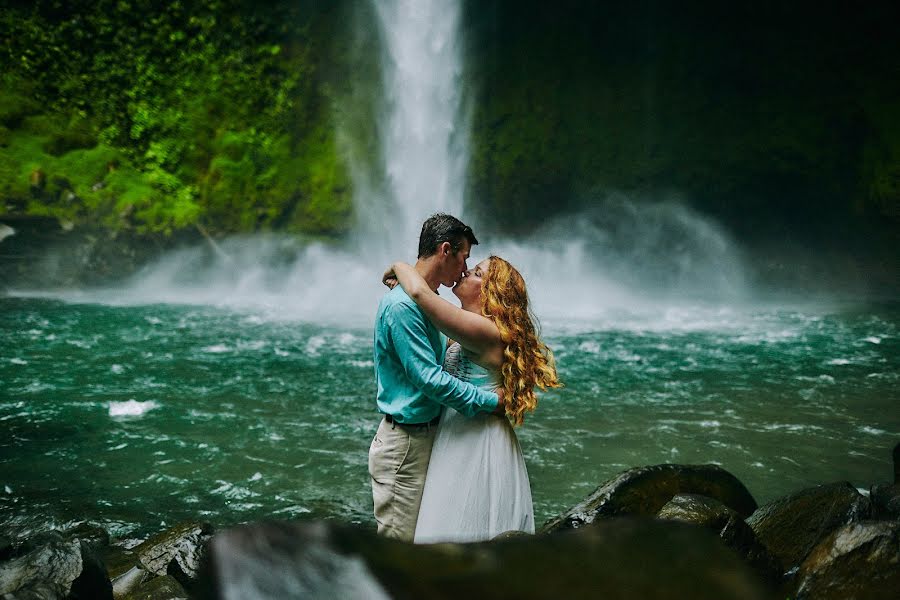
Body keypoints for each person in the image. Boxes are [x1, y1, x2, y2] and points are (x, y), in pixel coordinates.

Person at [383, 254, 561, 543]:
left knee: (457, 524)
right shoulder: (471, 329)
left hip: (475, 443)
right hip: (462, 434)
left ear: (491, 295)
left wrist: (400, 267)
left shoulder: (484, 331)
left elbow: (420, 294)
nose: (465, 272)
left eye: (477, 273)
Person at [370, 214, 505, 542]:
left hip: (430, 437)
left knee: (426, 542)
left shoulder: (430, 305)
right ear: (446, 250)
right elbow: (429, 378)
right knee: (399, 550)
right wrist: (491, 400)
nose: (464, 268)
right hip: (406, 444)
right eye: (464, 258)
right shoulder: (403, 307)